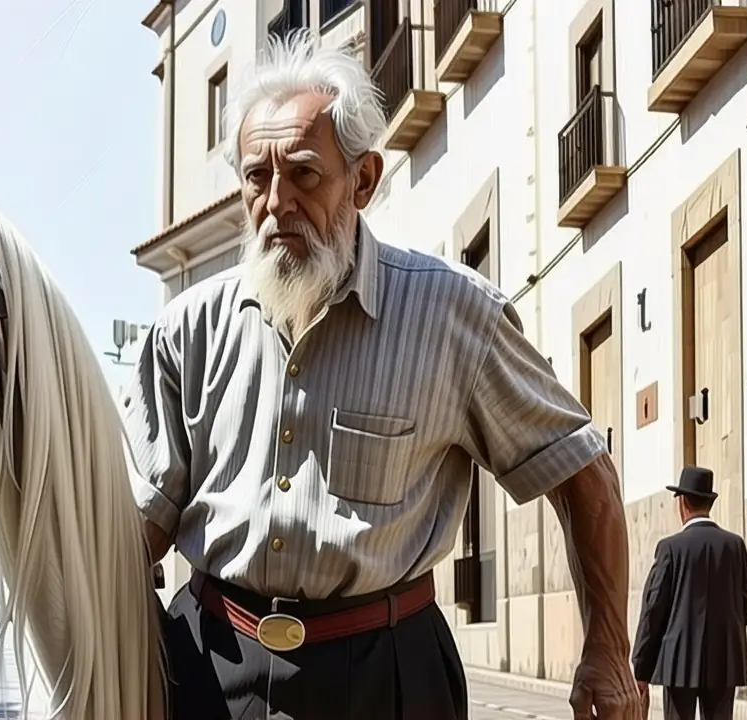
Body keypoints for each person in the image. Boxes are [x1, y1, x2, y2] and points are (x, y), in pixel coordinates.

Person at [121, 32, 645, 720]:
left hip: (388, 677)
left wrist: (607, 651)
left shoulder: (453, 314)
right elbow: (137, 527)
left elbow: (583, 471)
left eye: (304, 174)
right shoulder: (186, 331)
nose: (276, 201)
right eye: (256, 177)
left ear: (363, 179)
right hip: (208, 673)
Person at [632, 466, 747, 719]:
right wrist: (724, 629)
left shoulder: (670, 547)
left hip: (678, 660)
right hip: (724, 659)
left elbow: (653, 609)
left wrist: (640, 669)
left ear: (683, 502)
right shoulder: (734, 545)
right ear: (709, 503)